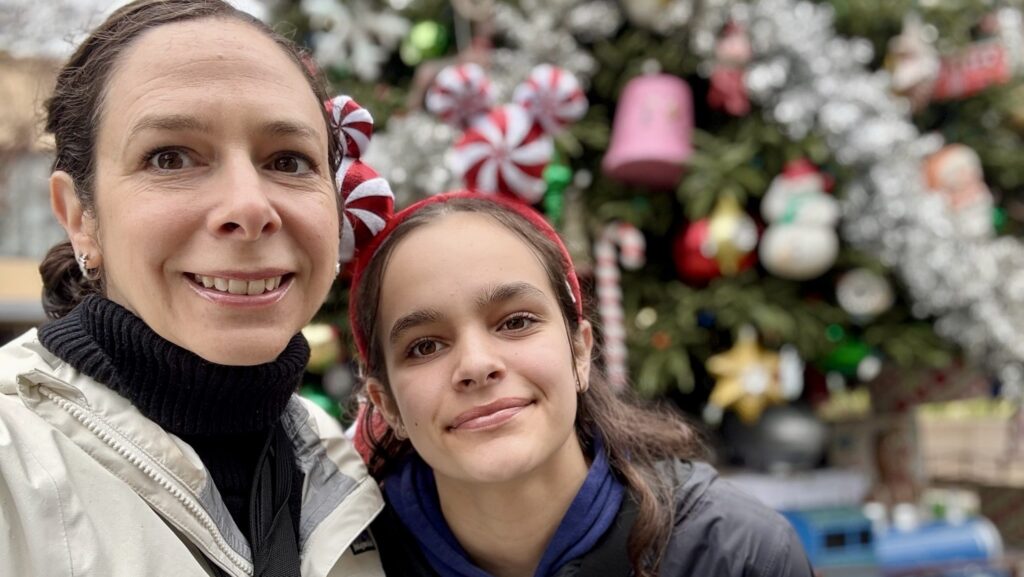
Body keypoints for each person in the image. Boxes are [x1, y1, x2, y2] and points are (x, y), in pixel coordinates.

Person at [0, 1, 387, 575]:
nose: (250, 207)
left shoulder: (343, 464)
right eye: (170, 157)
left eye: (288, 160)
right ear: (80, 215)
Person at [348, 192, 816, 577]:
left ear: (580, 350)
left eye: (515, 322)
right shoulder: (346, 564)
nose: (476, 365)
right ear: (385, 403)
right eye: (425, 346)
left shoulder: (736, 556)